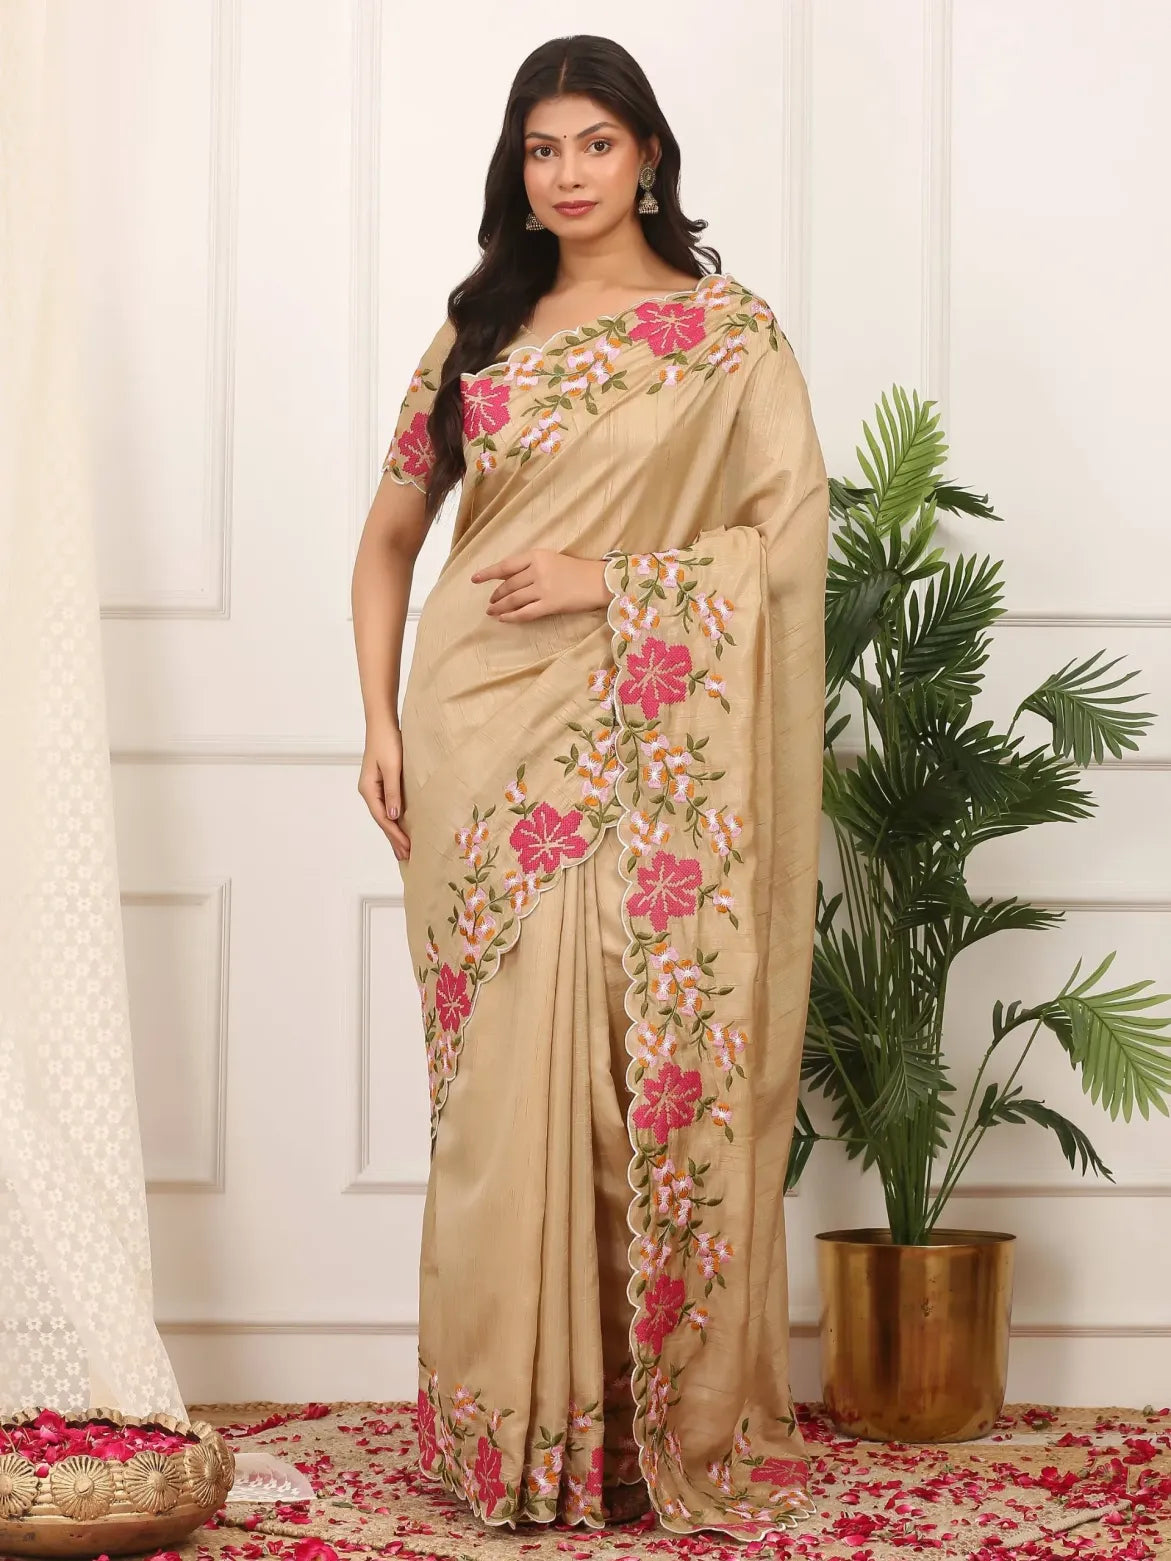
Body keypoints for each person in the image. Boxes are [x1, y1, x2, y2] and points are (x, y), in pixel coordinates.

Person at [350, 33, 828, 1544]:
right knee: (502, 1086)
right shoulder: (478, 326)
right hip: (475, 727)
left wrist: (615, 582)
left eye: (596, 144)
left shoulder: (726, 339)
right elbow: (385, 543)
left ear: (650, 156)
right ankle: (511, 1429)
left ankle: (635, 1425)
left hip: (642, 734)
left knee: (639, 1056)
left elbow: (787, 551)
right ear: (519, 162)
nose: (567, 173)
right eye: (543, 147)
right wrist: (376, 717)